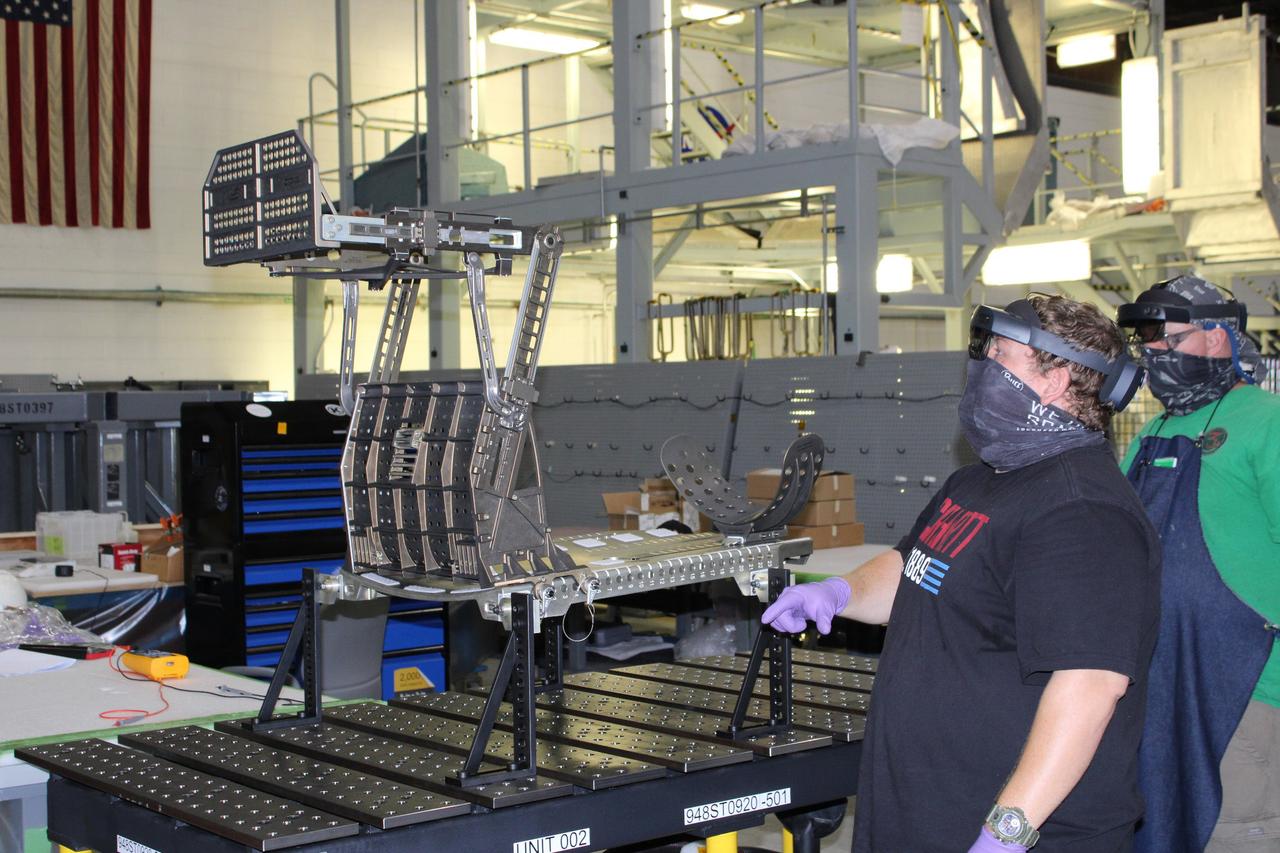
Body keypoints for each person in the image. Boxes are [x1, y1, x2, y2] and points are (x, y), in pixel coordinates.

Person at [763, 295, 1161, 852]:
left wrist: (1007, 833)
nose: (980, 369)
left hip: (1015, 829)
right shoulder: (978, 483)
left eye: (1000, 355)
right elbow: (913, 569)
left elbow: (1089, 687)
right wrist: (838, 592)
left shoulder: (1082, 511)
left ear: (1055, 382)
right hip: (926, 807)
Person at [1115, 276, 1280, 853]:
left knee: (1232, 832)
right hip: (1159, 685)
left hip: (1248, 690)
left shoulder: (1267, 422)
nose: (1153, 355)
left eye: (1167, 339)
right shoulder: (1152, 433)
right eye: (1145, 342)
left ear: (1219, 338)